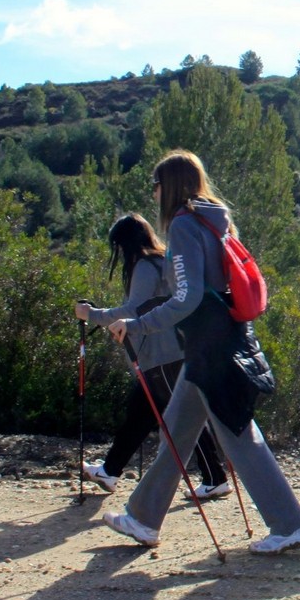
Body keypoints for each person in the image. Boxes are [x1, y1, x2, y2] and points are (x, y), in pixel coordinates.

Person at [85, 150, 300, 555]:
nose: (153, 194)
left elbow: (187, 299)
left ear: (169, 185)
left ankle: (289, 525)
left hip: (211, 349)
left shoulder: (185, 225)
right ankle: (143, 518)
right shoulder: (214, 221)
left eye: (156, 185)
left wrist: (137, 324)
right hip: (218, 341)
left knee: (240, 437)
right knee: (176, 431)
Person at [78, 214, 230, 500]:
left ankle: (215, 478)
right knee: (139, 415)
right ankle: (110, 471)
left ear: (125, 244)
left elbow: (133, 310)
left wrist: (91, 314)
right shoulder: (163, 261)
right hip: (170, 352)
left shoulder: (145, 266)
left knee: (184, 419)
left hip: (163, 356)